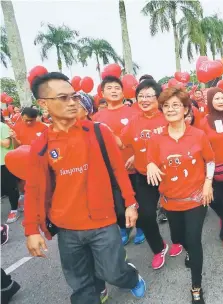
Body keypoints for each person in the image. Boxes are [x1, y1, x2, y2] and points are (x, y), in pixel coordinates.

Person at [24, 72, 146, 303]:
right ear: (43, 104)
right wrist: (31, 230)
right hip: (67, 227)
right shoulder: (41, 145)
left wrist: (131, 203)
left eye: (74, 97)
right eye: (63, 97)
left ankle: (131, 278)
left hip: (103, 221)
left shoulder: (99, 132)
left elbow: (119, 171)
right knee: (80, 286)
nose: (72, 103)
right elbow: (33, 188)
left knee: (113, 272)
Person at [146, 87, 215, 304]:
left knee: (194, 241)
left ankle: (196, 286)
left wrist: (208, 183)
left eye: (176, 105)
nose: (170, 109)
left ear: (186, 109)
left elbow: (210, 161)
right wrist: (149, 165)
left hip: (196, 199)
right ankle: (185, 248)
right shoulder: (156, 139)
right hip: (170, 201)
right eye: (166, 106)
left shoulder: (199, 135)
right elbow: (151, 160)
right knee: (178, 238)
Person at [118, 79, 169, 269]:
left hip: (170, 175)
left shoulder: (168, 117)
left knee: (176, 215)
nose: (145, 99)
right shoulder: (134, 121)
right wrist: (101, 131)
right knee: (145, 216)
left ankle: (180, 240)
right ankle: (159, 248)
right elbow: (122, 142)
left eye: (149, 96)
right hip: (143, 176)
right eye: (141, 96)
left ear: (158, 98)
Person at [92, 76, 145, 245]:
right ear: (102, 92)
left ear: (123, 92)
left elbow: (145, 137)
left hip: (135, 166)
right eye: (110, 88)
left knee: (139, 200)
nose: (114, 91)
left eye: (117, 88)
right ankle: (124, 228)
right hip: (111, 170)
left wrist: (137, 155)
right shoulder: (97, 118)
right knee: (118, 203)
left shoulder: (135, 112)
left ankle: (141, 227)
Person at [199, 87, 223, 252]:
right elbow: (199, 147)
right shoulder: (202, 122)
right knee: (215, 202)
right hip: (211, 171)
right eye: (216, 98)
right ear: (210, 101)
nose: (221, 101)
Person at [1, 116, 20, 223]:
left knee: (10, 188)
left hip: (4, 162)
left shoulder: (3, 127)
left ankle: (14, 209)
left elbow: (7, 144)